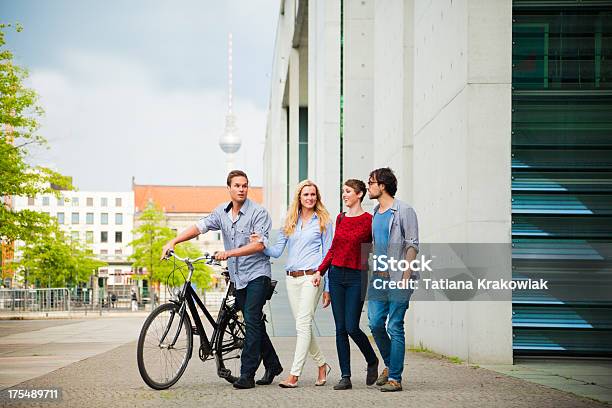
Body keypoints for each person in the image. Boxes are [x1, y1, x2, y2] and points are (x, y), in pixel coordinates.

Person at [161, 170, 283, 389]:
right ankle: (273, 364)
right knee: (252, 320)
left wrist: (229, 253)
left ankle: (247, 374)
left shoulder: (258, 213)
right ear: (229, 188)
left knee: (251, 320)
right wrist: (174, 241)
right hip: (237, 277)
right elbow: (200, 227)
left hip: (258, 274)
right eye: (237, 185)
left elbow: (259, 245)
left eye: (245, 185)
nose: (241, 189)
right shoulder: (221, 212)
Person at [252, 180, 333, 388]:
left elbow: (328, 255)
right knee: (303, 325)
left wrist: (327, 286)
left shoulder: (323, 221)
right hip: (292, 278)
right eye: (306, 194)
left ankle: (294, 375)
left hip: (312, 277)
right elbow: (277, 251)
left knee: (302, 325)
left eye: (313, 194)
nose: (310, 198)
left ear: (317, 197)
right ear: (299, 197)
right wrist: (261, 244)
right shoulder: (289, 220)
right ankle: (322, 365)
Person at [312, 179, 379, 391]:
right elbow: (333, 249)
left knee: (351, 326)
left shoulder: (369, 220)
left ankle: (372, 359)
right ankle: (345, 376)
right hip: (336, 275)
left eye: (348, 191)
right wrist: (320, 271)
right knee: (340, 328)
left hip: (357, 277)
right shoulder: (340, 219)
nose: (345, 194)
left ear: (359, 194)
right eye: (343, 191)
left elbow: (375, 248)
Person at [366, 167, 419, 392]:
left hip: (399, 277)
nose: (368, 186)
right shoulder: (376, 213)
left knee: (395, 326)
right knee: (376, 324)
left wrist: (406, 276)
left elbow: (412, 244)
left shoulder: (404, 210)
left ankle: (395, 378)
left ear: (382, 185)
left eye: (371, 182)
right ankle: (389, 365)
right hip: (378, 278)